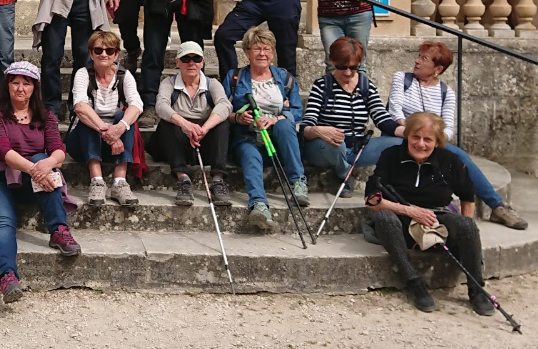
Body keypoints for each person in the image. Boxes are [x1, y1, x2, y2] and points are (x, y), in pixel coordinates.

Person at [0, 61, 79, 304]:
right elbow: (1, 149)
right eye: (15, 83)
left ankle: (59, 230)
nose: (20, 88)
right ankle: (7, 277)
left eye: (26, 84)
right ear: (7, 86)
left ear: (34, 88)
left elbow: (58, 150)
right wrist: (35, 169)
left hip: (32, 183)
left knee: (44, 159)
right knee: (2, 221)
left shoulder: (46, 116)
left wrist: (45, 165)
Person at [388, 42, 528, 230]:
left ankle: (498, 207)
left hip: (431, 143)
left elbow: (448, 128)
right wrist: (414, 133)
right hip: (402, 136)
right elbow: (395, 111)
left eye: (424, 58)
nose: (417, 61)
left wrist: (434, 140)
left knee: (459, 156)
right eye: (419, 56)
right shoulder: (402, 79)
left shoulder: (446, 93)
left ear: (438, 69)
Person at [364, 112, 492, 316]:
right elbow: (371, 199)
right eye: (415, 137)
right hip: (402, 217)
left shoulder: (450, 161)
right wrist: (409, 210)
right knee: (384, 218)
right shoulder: (391, 156)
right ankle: (414, 282)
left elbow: (468, 197)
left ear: (437, 142)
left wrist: (463, 234)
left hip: (437, 219)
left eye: (428, 139)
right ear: (407, 136)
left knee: (467, 226)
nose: (420, 144)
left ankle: (476, 288)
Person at [222, 27, 307, 231]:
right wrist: (238, 118)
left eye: (267, 49)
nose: (262, 54)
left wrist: (275, 119)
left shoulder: (285, 78)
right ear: (247, 52)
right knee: (250, 154)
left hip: (279, 142)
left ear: (273, 52)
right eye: (257, 49)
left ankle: (298, 182)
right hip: (248, 137)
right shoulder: (235, 77)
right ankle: (259, 205)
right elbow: (222, 109)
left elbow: (297, 111)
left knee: (285, 124)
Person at [299, 36, 403, 191]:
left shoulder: (366, 86)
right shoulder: (322, 85)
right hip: (325, 148)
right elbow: (307, 123)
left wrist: (406, 132)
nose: (348, 72)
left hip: (357, 148)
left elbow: (381, 117)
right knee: (337, 143)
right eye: (342, 67)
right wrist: (318, 131)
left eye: (354, 67)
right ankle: (344, 174)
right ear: (332, 61)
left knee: (401, 143)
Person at [64, 31, 143, 206]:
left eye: (109, 50)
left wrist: (119, 128)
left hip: (114, 144)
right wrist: (107, 132)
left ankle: (120, 182)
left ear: (116, 54)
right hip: (83, 142)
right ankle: (97, 181)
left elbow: (137, 105)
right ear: (91, 53)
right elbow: (80, 106)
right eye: (98, 50)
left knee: (126, 118)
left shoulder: (124, 75)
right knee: (87, 117)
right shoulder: (83, 74)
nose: (104, 54)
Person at [150, 41, 232, 206]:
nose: (191, 63)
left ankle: (218, 180)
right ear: (177, 62)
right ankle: (183, 179)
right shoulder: (169, 83)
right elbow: (161, 106)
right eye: (186, 58)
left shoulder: (212, 84)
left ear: (202, 62)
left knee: (222, 124)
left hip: (203, 141)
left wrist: (204, 128)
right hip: (177, 142)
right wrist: (186, 125)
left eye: (196, 59)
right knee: (166, 124)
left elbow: (225, 105)